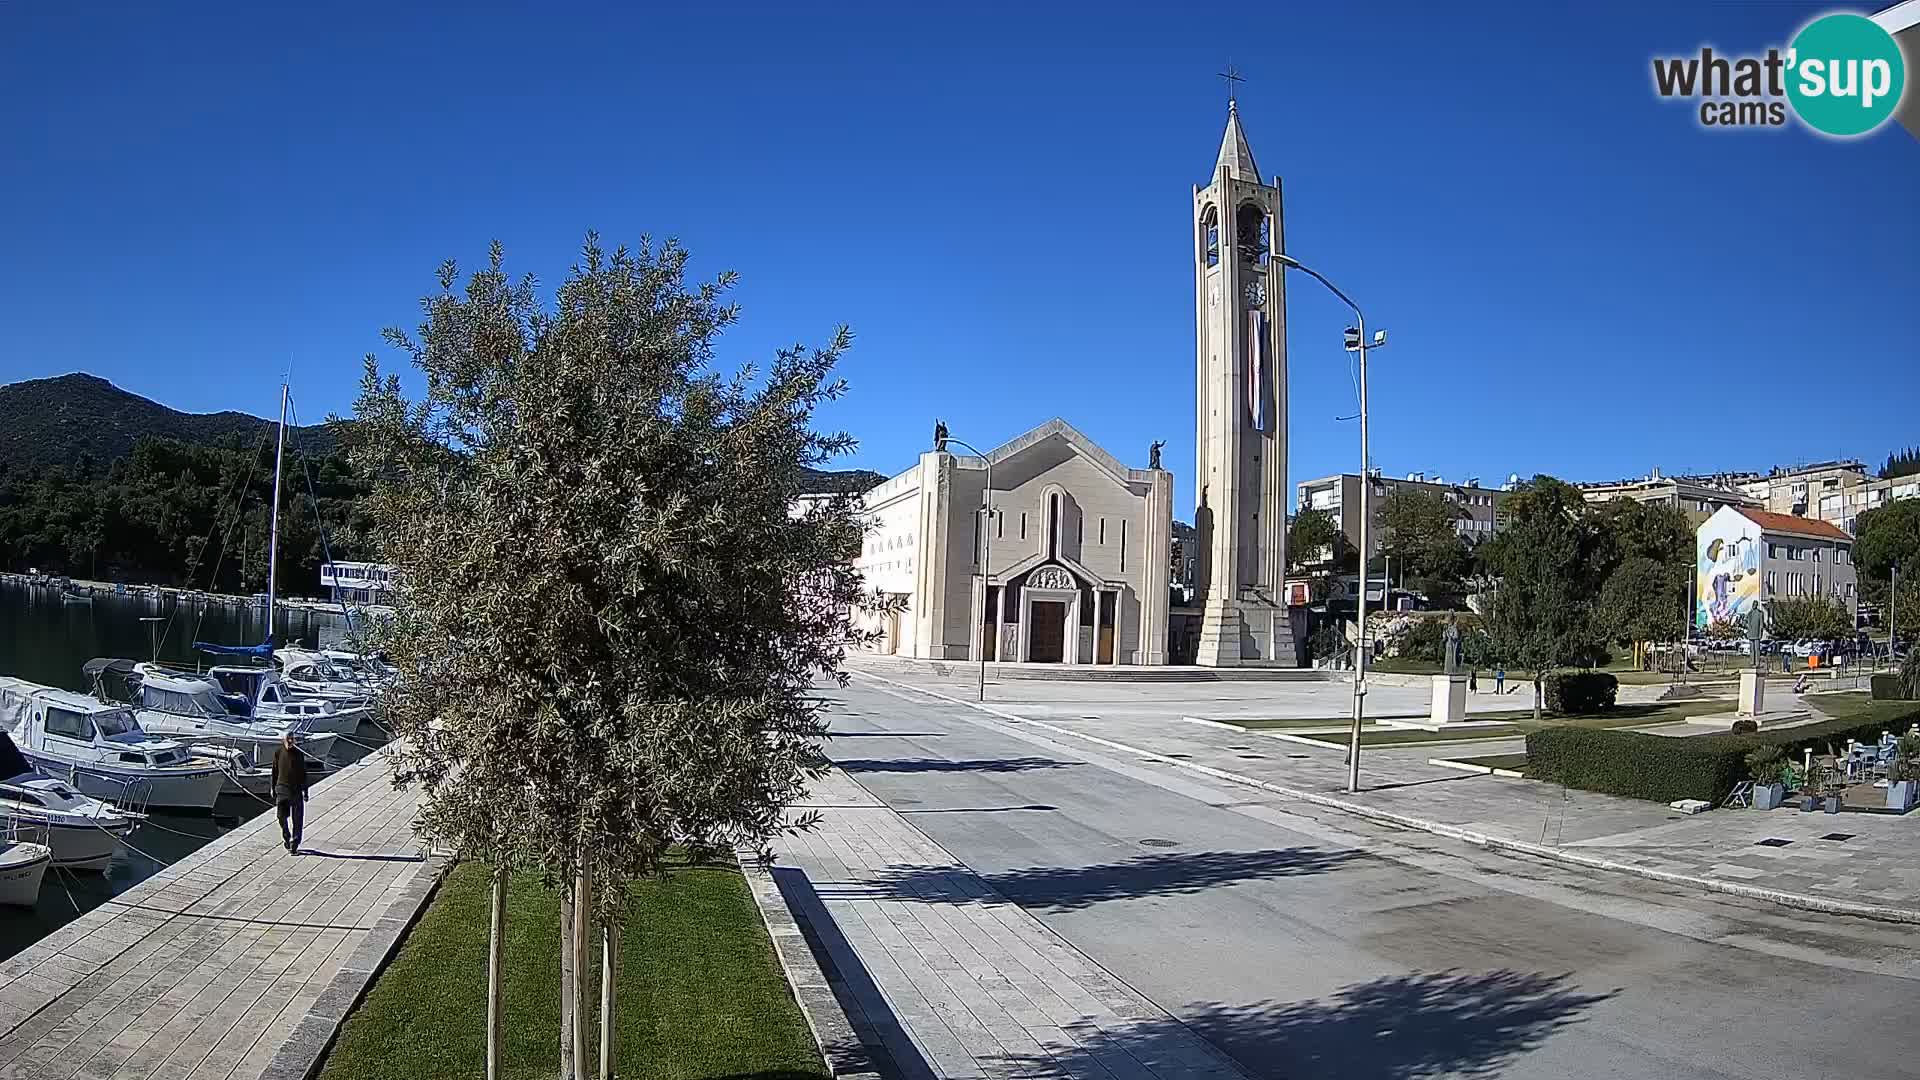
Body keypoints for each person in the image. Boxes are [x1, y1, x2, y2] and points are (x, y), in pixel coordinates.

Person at [272, 731, 310, 854]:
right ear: (283, 740)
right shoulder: (278, 753)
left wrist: (305, 791)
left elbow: (303, 774)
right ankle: (286, 835)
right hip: (281, 789)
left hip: (296, 790)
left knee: (297, 818)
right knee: (281, 816)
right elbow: (274, 771)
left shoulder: (298, 754)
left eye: (292, 739)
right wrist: (272, 787)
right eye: (288, 739)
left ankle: (295, 841)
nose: (290, 741)